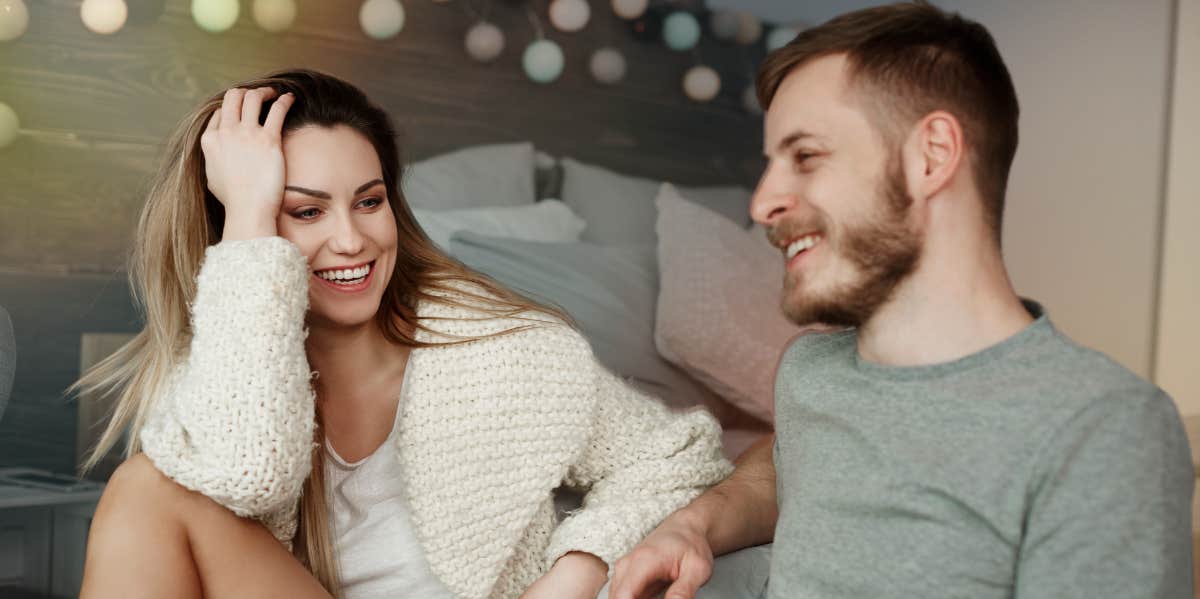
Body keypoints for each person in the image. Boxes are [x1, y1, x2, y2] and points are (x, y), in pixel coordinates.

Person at [75, 69, 733, 599]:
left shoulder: (506, 354)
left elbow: (679, 457)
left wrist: (581, 563)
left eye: (369, 200)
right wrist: (250, 212)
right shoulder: (222, 371)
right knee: (147, 488)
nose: (351, 239)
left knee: (143, 489)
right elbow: (248, 472)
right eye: (305, 210)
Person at [609, 2, 1194, 598]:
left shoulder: (1101, 430)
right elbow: (788, 469)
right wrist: (691, 525)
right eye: (771, 164)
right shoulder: (811, 374)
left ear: (932, 155)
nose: (761, 203)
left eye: (805, 156)